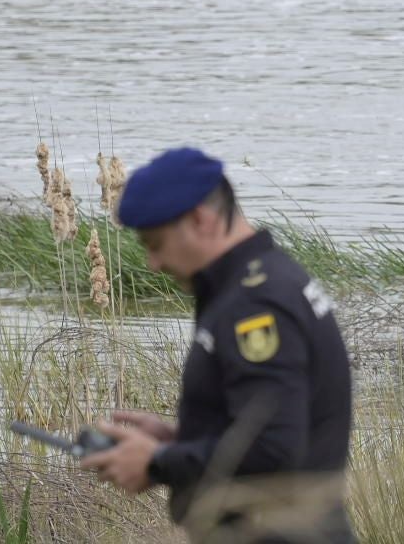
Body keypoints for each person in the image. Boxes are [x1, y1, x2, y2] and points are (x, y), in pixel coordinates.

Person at [82, 148, 354, 544]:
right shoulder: (265, 278)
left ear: (199, 219)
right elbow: (268, 426)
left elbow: (275, 448)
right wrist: (186, 438)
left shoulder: (255, 306)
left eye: (154, 243)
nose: (153, 263)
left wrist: (158, 463)